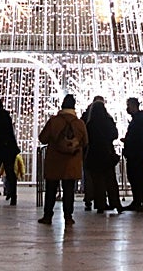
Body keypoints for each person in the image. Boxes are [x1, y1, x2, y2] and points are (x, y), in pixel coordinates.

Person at [38, 94, 88, 225]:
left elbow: (42, 138)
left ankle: (48, 215)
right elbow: (86, 141)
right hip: (71, 162)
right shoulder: (79, 123)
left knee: (51, 189)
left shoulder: (54, 121)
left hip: (54, 161)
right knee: (69, 190)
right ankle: (68, 216)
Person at [83, 99, 124, 213]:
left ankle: (100, 204)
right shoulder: (108, 121)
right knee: (110, 180)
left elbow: (87, 139)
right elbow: (115, 135)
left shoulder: (90, 124)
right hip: (107, 153)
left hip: (94, 154)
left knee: (97, 181)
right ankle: (116, 203)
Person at [122, 96, 143, 212]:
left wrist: (128, 140)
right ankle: (138, 201)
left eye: (128, 105)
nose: (127, 108)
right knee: (136, 178)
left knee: (138, 178)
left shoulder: (139, 120)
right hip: (135, 153)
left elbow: (137, 137)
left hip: (136, 154)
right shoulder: (137, 119)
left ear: (134, 106)